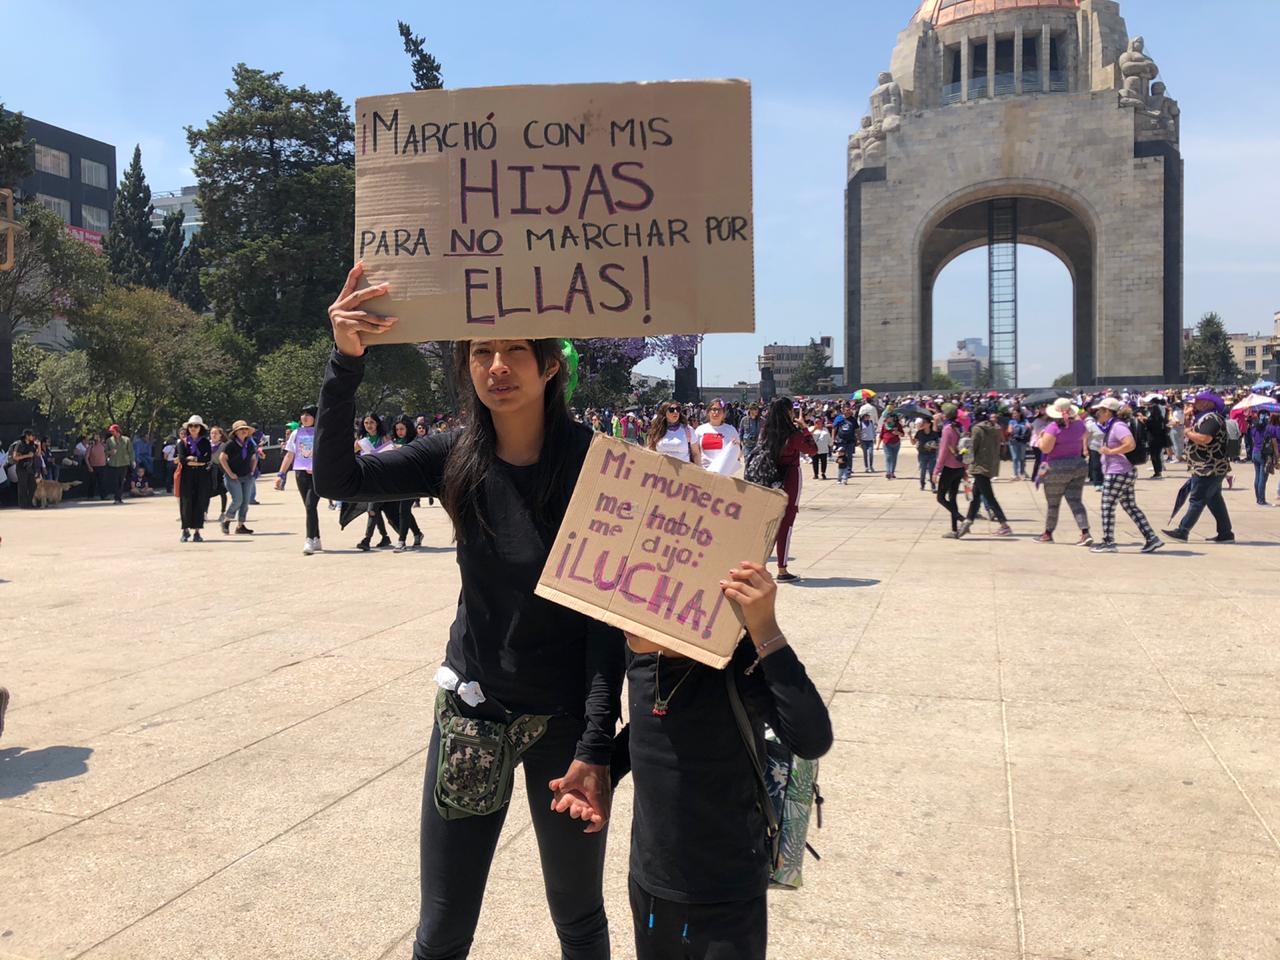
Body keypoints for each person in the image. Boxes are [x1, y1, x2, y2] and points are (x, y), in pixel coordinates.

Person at [313, 262, 623, 960]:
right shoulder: (457, 455)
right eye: (481, 352)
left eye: (515, 349)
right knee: (444, 929)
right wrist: (346, 361)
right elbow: (339, 479)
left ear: (550, 366)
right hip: (473, 715)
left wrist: (596, 746)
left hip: (565, 725)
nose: (496, 365)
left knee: (578, 919)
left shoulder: (596, 468)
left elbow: (609, 626)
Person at [601, 562, 832, 960]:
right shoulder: (640, 651)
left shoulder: (736, 659)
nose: (621, 621)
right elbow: (646, 733)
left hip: (728, 888)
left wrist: (765, 630)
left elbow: (811, 738)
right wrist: (598, 772)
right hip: (652, 882)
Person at [1089, 398, 1162, 554]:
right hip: (1123, 471)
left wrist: (1111, 452)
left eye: (1099, 411)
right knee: (1130, 506)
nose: (1097, 414)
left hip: (1117, 472)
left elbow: (1130, 444)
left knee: (1107, 507)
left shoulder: (1118, 426)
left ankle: (1108, 542)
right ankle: (1151, 538)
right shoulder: (1112, 426)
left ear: (1108, 412)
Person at [758, 397, 818, 582]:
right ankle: (782, 569)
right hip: (790, 477)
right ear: (788, 412)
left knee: (768, 524)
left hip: (769, 477)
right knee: (786, 523)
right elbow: (813, 450)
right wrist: (805, 428)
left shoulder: (766, 431)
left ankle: (758, 565)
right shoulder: (793, 435)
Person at [1163, 391, 1235, 544]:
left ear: (1207, 403)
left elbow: (1205, 439)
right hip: (1209, 466)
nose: (1193, 404)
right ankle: (1226, 533)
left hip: (1209, 467)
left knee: (1197, 499)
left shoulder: (1211, 419)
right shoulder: (1205, 417)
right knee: (1215, 500)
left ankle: (1183, 531)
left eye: (1197, 401)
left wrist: (1188, 433)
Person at [1034, 400, 1093, 545]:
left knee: (1053, 503)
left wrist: (1040, 438)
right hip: (1077, 465)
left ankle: (1048, 533)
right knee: (1075, 501)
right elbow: (1086, 435)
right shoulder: (1079, 425)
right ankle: (1085, 532)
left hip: (1056, 467)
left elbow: (1046, 449)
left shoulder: (1052, 428)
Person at [277, 404, 324, 555]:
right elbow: (290, 454)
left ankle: (309, 539)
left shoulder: (321, 432)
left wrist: (318, 466)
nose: (305, 417)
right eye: (303, 414)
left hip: (316, 475)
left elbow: (327, 454)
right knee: (309, 507)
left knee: (310, 505)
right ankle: (316, 537)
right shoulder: (296, 433)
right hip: (300, 474)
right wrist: (281, 475)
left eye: (309, 414)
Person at [959, 409, 1013, 537]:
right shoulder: (995, 428)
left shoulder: (978, 429)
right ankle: (968, 521)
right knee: (976, 496)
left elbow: (972, 448)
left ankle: (1004, 525)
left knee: (989, 497)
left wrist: (963, 448)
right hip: (990, 464)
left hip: (979, 466)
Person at [355, 413, 396, 551]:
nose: (369, 425)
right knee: (374, 510)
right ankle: (385, 536)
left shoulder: (384, 438)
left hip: (381, 478)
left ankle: (367, 539)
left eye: (371, 422)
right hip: (367, 478)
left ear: (377, 423)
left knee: (372, 509)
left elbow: (391, 455)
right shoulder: (361, 440)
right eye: (366, 423)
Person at [391, 414, 425, 551]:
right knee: (404, 511)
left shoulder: (415, 441)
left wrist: (401, 449)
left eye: (402, 429)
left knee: (403, 510)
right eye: (397, 429)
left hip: (413, 481)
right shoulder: (392, 442)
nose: (399, 432)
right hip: (398, 481)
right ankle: (417, 533)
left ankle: (401, 540)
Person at [218, 420, 258, 535]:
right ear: (236, 432)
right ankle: (226, 520)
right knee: (238, 500)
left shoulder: (249, 443)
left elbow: (253, 458)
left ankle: (240, 526)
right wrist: (230, 473)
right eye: (241, 429)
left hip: (246, 476)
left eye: (245, 429)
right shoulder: (230, 444)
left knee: (245, 502)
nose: (244, 431)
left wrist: (252, 471)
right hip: (233, 477)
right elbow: (222, 458)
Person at [933, 405, 966, 537]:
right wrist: (965, 468)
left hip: (949, 469)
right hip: (959, 467)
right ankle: (955, 530)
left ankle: (962, 520)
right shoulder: (958, 427)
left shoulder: (947, 429)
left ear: (946, 415)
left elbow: (943, 452)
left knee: (940, 498)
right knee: (952, 499)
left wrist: (936, 471)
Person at [178, 415, 212, 543]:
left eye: (196, 426)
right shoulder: (183, 442)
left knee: (200, 501)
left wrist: (194, 459)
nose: (193, 428)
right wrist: (195, 461)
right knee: (186, 502)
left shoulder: (205, 442)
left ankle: (197, 531)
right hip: (187, 476)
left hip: (201, 476)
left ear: (200, 428)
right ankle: (185, 530)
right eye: (191, 426)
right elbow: (182, 459)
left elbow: (206, 459)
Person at [694, 399, 743, 477]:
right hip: (704, 472)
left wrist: (737, 447)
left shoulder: (731, 430)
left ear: (723, 413)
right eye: (714, 409)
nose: (716, 413)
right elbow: (695, 453)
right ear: (708, 412)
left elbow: (738, 455)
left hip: (724, 474)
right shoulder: (700, 430)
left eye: (719, 410)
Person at [1249, 413, 1280, 507]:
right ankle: (1261, 500)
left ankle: (1258, 499)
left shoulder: (1254, 428)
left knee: (1257, 477)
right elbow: (1274, 442)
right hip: (1264, 455)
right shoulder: (1269, 429)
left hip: (1255, 452)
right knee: (1263, 478)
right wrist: (1276, 455)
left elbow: (1253, 440)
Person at [104, 424, 134, 504]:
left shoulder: (126, 440)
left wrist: (132, 460)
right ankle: (116, 498)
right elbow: (105, 452)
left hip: (123, 463)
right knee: (115, 481)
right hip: (113, 464)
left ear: (117, 431)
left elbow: (130, 451)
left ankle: (119, 497)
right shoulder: (109, 440)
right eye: (111, 431)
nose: (112, 433)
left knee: (121, 481)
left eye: (113, 431)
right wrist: (110, 452)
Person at [9, 429, 38, 508]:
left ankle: (29, 502)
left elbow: (37, 454)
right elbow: (15, 457)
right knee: (23, 486)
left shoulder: (32, 445)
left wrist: (39, 445)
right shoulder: (20, 444)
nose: (33, 437)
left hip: (30, 468)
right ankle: (23, 504)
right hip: (21, 468)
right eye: (31, 435)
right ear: (27, 436)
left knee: (33, 485)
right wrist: (27, 456)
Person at [208, 425, 228, 523]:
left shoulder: (224, 446)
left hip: (220, 470)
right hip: (208, 471)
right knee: (206, 492)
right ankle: (204, 512)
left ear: (220, 435)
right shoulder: (206, 445)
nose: (214, 435)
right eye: (212, 433)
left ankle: (223, 512)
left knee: (222, 492)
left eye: (216, 433)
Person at [914, 417, 940, 491]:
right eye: (922, 422)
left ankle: (933, 486)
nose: (922, 424)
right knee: (923, 471)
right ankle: (922, 484)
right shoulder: (919, 433)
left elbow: (938, 445)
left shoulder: (934, 434)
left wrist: (933, 446)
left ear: (929, 424)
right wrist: (909, 435)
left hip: (932, 454)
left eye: (924, 422)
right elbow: (913, 442)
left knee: (932, 471)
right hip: (922, 454)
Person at [834, 407, 858, 484]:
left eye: (848, 410)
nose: (847, 411)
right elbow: (834, 428)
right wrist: (833, 438)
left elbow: (857, 429)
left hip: (850, 440)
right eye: (846, 410)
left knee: (849, 456)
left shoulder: (853, 419)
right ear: (843, 411)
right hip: (841, 440)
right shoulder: (839, 419)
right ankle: (841, 471)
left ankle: (848, 470)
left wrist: (858, 439)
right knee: (841, 455)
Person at [1006, 407, 1031, 480]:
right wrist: (1015, 428)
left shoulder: (1025, 420)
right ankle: (1015, 474)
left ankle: (1022, 473)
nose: (1014, 414)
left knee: (1022, 457)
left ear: (1019, 413)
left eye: (1015, 413)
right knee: (1015, 458)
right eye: (1013, 413)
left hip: (1022, 441)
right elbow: (1009, 430)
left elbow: (1029, 427)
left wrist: (1028, 426)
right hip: (1013, 441)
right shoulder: (1011, 421)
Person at [877, 413, 903, 480]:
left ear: (893, 418)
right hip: (886, 443)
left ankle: (892, 472)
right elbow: (881, 435)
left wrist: (898, 433)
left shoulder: (897, 425)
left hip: (896, 443)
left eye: (889, 417)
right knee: (888, 457)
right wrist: (878, 445)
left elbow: (902, 434)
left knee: (894, 458)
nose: (887, 419)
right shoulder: (884, 425)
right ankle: (888, 472)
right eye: (887, 417)